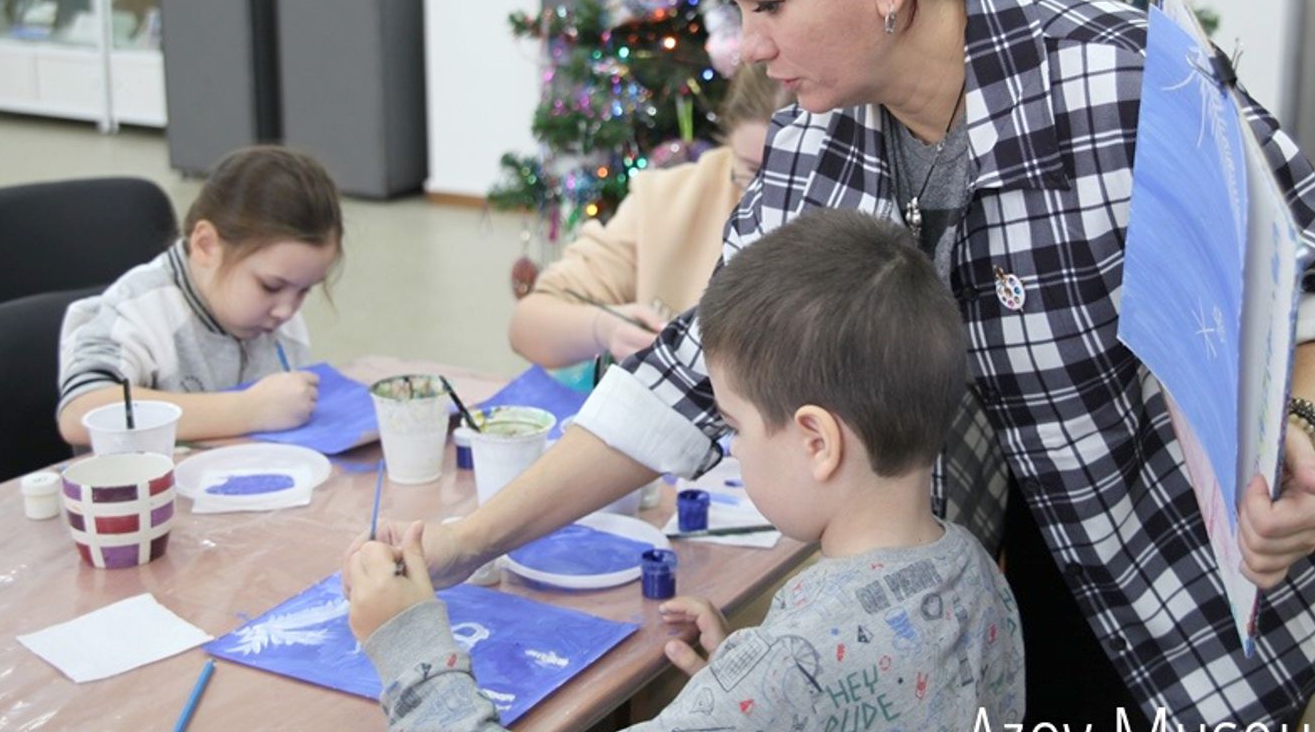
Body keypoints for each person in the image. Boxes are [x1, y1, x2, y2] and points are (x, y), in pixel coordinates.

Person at [358, 0, 1315, 726]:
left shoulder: (1120, 82)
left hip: (1193, 548)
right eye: (735, 6)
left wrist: (1302, 431)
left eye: (766, 3)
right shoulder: (815, 134)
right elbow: (685, 375)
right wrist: (463, 542)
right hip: (1003, 560)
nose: (747, 46)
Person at [345, 210, 1025, 730]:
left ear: (817, 441)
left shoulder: (787, 669)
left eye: (733, 426)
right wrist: (746, 682)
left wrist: (410, 648)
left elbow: (804, 679)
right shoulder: (977, 576)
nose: (730, 449)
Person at [57, 145, 343, 442]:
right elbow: (80, 414)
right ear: (206, 245)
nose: (287, 310)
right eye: (270, 286)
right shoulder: (135, 310)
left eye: (305, 290)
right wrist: (245, 410)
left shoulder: (273, 312)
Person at [509, 64, 788, 367]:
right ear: (730, 140)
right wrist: (606, 328)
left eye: (788, 174)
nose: (766, 193)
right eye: (751, 170)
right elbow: (528, 324)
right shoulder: (666, 198)